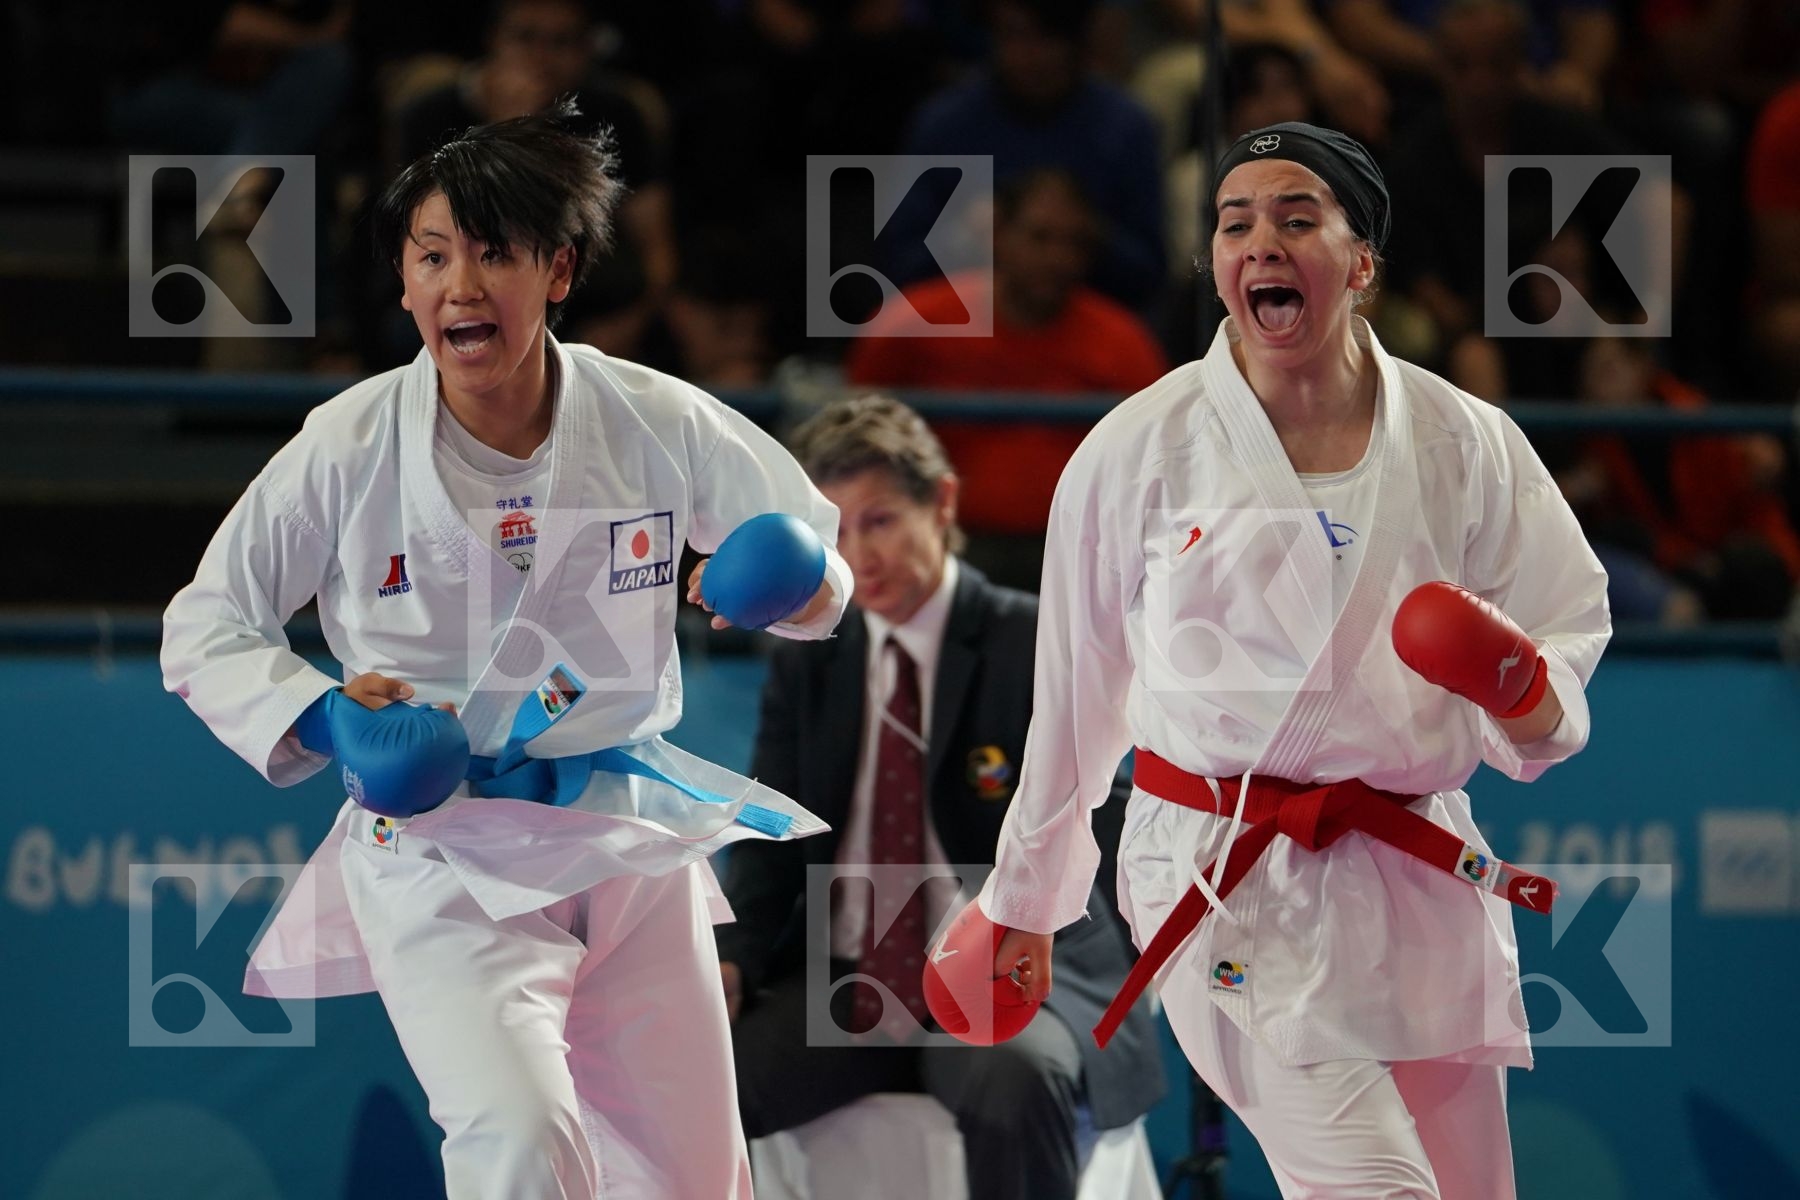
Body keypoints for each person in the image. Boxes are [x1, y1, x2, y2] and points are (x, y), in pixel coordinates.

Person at [160, 104, 851, 1200]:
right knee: (521, 1143)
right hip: (443, 846)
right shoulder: (348, 444)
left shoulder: (657, 419)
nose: (461, 287)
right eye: (433, 256)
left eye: (495, 256)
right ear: (401, 280)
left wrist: (791, 581)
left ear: (560, 270)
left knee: (699, 1181)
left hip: (626, 835)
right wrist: (332, 715)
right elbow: (203, 623)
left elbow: (817, 556)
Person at [966, 121, 1611, 1198]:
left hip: (1417, 876)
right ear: (1216, 262)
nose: (1260, 241)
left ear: (1360, 264)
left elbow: (1565, 630)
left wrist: (1532, 700)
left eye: (1296, 218)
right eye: (1235, 223)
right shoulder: (1138, 449)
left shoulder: (1466, 441)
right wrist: (1027, 900)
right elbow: (1076, 702)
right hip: (1226, 874)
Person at [718, 396, 1164, 1200]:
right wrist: (732, 957)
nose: (860, 554)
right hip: (851, 977)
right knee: (702, 1079)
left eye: (881, 519)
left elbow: (1114, 824)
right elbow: (768, 830)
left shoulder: (1035, 641)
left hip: (1007, 973)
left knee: (1016, 1079)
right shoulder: (809, 659)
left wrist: (1023, 933)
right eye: (835, 534)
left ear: (944, 503)